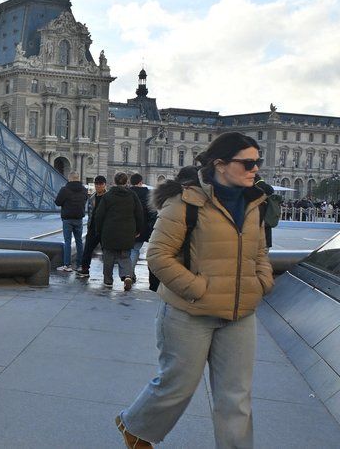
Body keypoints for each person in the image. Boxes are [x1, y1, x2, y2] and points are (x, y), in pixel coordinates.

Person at [117, 133, 273, 448]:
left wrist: (261, 283)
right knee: (178, 386)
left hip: (240, 313)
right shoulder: (184, 202)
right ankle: (135, 426)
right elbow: (159, 255)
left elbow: (260, 254)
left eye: (258, 162)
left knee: (236, 398)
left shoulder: (254, 204)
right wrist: (198, 288)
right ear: (221, 164)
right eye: (248, 162)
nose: (255, 168)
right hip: (189, 311)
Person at [91, 173, 145, 290]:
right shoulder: (132, 195)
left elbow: (99, 215)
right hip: (127, 231)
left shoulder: (108, 196)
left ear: (114, 182)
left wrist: (99, 230)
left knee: (108, 256)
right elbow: (139, 214)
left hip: (109, 231)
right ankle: (127, 276)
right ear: (126, 182)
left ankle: (108, 281)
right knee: (125, 256)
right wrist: (138, 229)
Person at [54, 173, 89, 272]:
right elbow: (85, 200)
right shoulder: (84, 190)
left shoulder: (64, 189)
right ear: (78, 179)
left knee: (67, 242)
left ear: (69, 179)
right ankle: (80, 265)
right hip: (79, 218)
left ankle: (67, 265)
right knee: (79, 242)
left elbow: (57, 202)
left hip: (67, 219)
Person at [76, 176, 109, 278]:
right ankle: (85, 269)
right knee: (88, 249)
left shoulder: (108, 197)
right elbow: (91, 214)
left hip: (104, 228)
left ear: (104, 185)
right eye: (96, 184)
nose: (98, 186)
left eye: (100, 184)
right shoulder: (92, 198)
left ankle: (107, 273)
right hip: (93, 227)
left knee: (107, 252)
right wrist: (89, 226)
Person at [129, 173, 157, 268]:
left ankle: (127, 273)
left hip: (126, 225)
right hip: (142, 226)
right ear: (141, 182)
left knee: (127, 251)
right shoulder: (148, 194)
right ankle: (129, 274)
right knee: (135, 249)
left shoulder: (127, 192)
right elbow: (152, 212)